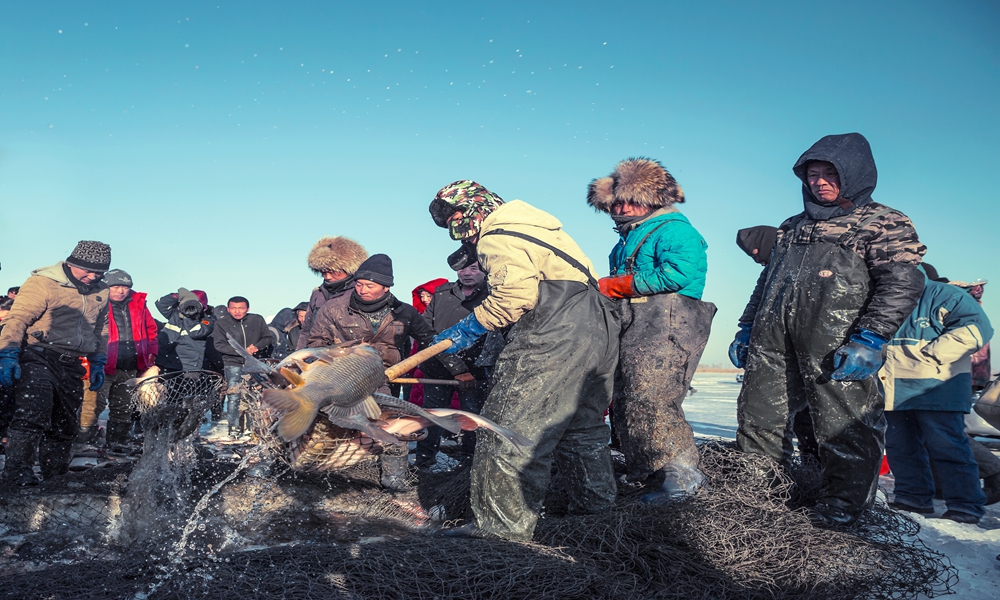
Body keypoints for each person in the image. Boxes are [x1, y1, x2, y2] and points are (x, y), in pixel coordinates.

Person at [731, 133, 926, 527]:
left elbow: (902, 282)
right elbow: (767, 281)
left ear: (854, 175)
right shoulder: (792, 226)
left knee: (845, 426)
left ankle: (842, 506)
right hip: (773, 340)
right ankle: (757, 496)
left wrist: (872, 336)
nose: (819, 182)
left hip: (840, 341)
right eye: (813, 174)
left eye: (829, 174)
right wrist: (748, 325)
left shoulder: (884, 221)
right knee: (758, 418)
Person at [428, 180, 620, 541]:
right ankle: (595, 516)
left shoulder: (497, 233)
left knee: (505, 430)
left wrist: (468, 328)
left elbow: (515, 294)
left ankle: (499, 531)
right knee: (582, 429)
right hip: (598, 329)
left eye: (456, 215)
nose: (456, 226)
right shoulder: (540, 229)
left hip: (553, 330)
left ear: (475, 207)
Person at [587, 158, 716, 502]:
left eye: (631, 199)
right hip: (638, 324)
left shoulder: (674, 230)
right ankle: (647, 473)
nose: (622, 206)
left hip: (669, 324)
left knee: (654, 396)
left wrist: (617, 286)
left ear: (653, 200)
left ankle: (682, 475)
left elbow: (680, 273)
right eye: (616, 201)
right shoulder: (627, 239)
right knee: (628, 399)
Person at [307, 253, 437, 490]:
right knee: (338, 423)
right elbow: (316, 342)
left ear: (386, 288)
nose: (362, 289)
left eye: (370, 285)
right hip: (343, 377)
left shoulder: (404, 312)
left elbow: (429, 341)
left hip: (385, 377)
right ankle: (335, 470)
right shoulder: (334, 308)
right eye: (359, 284)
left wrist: (458, 370)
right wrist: (338, 357)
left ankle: (394, 477)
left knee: (391, 424)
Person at [881, 266, 993, 524]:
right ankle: (912, 497)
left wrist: (930, 357)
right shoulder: (886, 297)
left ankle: (965, 504)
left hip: (938, 386)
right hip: (894, 388)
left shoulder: (945, 295)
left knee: (948, 447)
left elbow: (976, 329)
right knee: (901, 448)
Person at [0, 241, 111, 486]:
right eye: (88, 271)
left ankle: (55, 477)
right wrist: (7, 354)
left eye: (99, 273)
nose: (93, 277)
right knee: (33, 414)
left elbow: (101, 329)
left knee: (65, 424)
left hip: (72, 363)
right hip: (39, 355)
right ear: (72, 263)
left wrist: (98, 361)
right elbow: (17, 319)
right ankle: (18, 474)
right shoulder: (44, 283)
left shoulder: (101, 291)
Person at [735, 225, 819, 462]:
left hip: (811, 352)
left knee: (816, 421)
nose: (758, 261)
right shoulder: (772, 272)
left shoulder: (804, 262)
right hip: (780, 356)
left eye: (758, 254)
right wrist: (746, 328)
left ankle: (820, 474)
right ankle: (801, 471)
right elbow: (758, 300)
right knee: (789, 421)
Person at [417, 263, 490, 467]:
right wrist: (457, 368)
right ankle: (424, 461)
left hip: (475, 370)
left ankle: (470, 463)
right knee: (432, 415)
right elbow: (426, 332)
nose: (467, 273)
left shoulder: (494, 297)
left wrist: (466, 370)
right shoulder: (442, 293)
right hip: (437, 368)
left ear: (485, 270)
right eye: (462, 269)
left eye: (474, 268)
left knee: (473, 417)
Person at [77, 269, 159, 448]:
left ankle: (117, 442)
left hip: (130, 366)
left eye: (125, 287)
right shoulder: (95, 301)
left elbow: (151, 331)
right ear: (106, 286)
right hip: (100, 366)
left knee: (123, 408)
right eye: (115, 286)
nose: (121, 291)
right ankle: (84, 443)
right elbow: (82, 330)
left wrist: (150, 356)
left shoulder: (139, 304)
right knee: (92, 406)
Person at [213, 296, 274, 438]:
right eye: (233, 308)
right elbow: (219, 345)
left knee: (255, 396)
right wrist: (240, 351)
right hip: (232, 363)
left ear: (248, 308)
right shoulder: (221, 323)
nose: (237, 311)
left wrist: (256, 347)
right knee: (234, 396)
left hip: (254, 363)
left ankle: (255, 427)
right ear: (228, 309)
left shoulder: (257, 320)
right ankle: (233, 427)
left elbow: (267, 338)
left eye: (241, 308)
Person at [297, 236, 368, 350]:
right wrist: (298, 356)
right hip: (318, 356)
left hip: (350, 358)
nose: (327, 277)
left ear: (348, 268)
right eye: (323, 272)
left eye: (333, 271)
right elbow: (306, 331)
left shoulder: (361, 293)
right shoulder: (317, 294)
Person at [405, 277, 450, 406]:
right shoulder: (418, 318)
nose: (424, 299)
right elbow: (414, 347)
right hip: (420, 367)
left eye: (428, 295)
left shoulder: (448, 316)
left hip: (443, 367)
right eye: (422, 296)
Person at [156, 288, 215, 373]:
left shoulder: (207, 320)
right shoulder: (175, 315)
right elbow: (161, 304)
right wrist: (177, 295)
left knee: (187, 386)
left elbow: (195, 332)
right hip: (165, 362)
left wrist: (190, 315)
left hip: (189, 367)